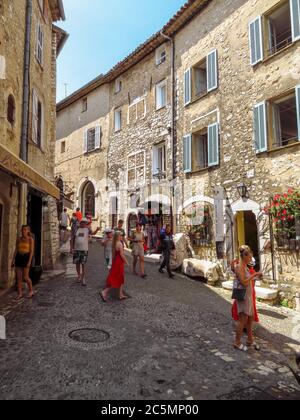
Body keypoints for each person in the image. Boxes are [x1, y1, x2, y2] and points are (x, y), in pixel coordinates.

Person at [233, 246, 263, 352]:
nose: (251, 259)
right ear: (244, 256)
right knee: (242, 320)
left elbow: (248, 279)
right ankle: (237, 342)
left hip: (249, 295)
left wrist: (256, 276)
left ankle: (250, 340)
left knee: (250, 318)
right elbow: (244, 282)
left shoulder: (245, 266)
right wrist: (254, 274)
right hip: (243, 296)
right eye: (250, 256)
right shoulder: (238, 267)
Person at [100, 231, 129, 302]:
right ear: (118, 236)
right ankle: (104, 292)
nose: (122, 237)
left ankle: (120, 294)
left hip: (115, 261)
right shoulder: (119, 244)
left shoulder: (114, 243)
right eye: (121, 235)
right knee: (116, 278)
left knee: (119, 278)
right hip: (119, 262)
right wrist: (127, 262)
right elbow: (122, 255)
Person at [72, 218, 100, 286]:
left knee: (83, 264)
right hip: (76, 249)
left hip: (84, 249)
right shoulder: (76, 229)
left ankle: (83, 278)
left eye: (85, 223)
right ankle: (79, 276)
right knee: (77, 264)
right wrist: (71, 248)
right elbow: (72, 238)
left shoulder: (87, 229)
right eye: (82, 222)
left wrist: (97, 229)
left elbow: (93, 233)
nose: (83, 223)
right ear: (80, 222)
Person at [11, 225, 34, 300]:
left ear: (28, 231)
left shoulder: (31, 239)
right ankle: (20, 293)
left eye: (25, 230)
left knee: (26, 277)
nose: (23, 231)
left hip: (26, 258)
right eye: (22, 230)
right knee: (19, 278)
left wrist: (29, 262)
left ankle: (31, 291)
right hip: (18, 258)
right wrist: (13, 260)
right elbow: (16, 250)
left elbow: (31, 252)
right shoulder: (19, 239)